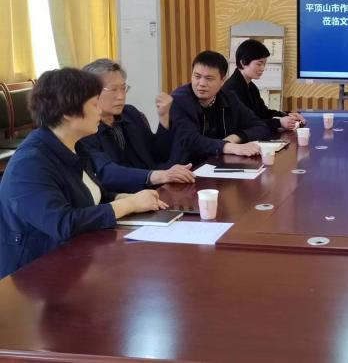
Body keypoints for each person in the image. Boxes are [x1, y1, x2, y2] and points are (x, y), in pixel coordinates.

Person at [0, 68, 168, 278]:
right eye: (94, 104)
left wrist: (122, 197)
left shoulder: (73, 144)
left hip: (74, 259)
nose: (99, 111)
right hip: (32, 274)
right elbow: (63, 223)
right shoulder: (30, 163)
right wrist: (129, 205)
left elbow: (90, 195)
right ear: (68, 113)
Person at [79, 59, 195, 193]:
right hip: (122, 197)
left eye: (123, 88)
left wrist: (164, 117)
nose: (121, 96)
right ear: (91, 92)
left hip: (155, 188)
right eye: (113, 90)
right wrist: (156, 176)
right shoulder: (84, 128)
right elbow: (106, 173)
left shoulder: (130, 113)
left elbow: (158, 154)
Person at [170, 50, 272, 165]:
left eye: (209, 78)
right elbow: (191, 140)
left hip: (218, 163)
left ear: (222, 80)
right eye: (197, 76)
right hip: (186, 167)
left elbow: (261, 127)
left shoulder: (229, 98)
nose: (201, 83)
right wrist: (228, 147)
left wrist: (236, 137)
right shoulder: (178, 100)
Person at [223, 39, 305, 132]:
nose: (263, 68)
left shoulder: (251, 86)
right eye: (259, 64)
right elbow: (246, 123)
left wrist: (287, 115)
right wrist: (279, 122)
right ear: (243, 62)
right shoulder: (232, 89)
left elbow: (264, 113)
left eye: (264, 64)